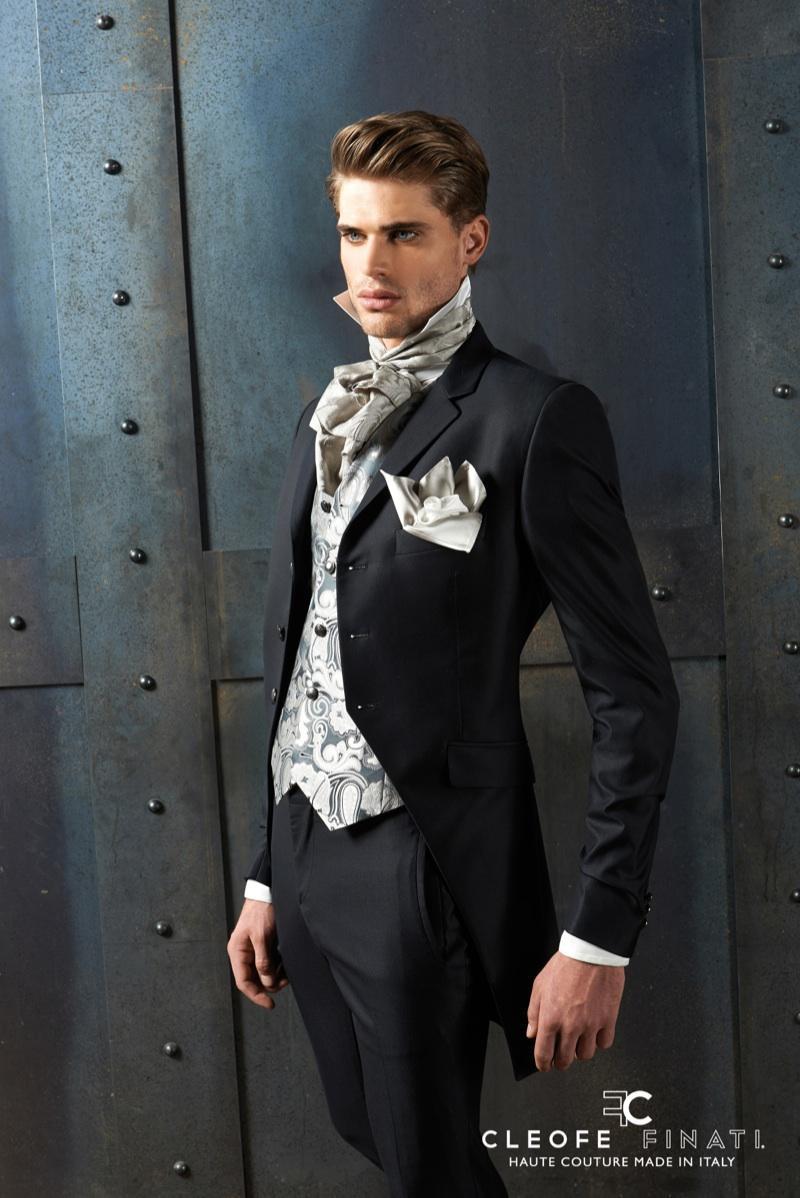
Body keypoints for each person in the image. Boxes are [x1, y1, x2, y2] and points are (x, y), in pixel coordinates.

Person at [227, 109, 680, 1197]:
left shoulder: (533, 418)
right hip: (304, 844)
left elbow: (632, 692)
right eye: (353, 233)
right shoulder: (323, 414)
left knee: (428, 1165)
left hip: (420, 856)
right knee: (372, 1134)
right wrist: (265, 869)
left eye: (404, 233)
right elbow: (303, 655)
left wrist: (598, 938)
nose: (370, 263)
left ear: (469, 240)